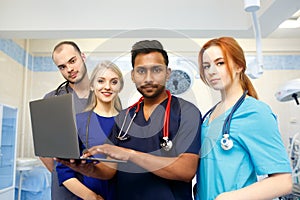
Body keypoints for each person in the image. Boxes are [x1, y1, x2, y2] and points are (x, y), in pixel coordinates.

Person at [57, 40, 202, 200]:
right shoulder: (124, 118)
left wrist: (131, 155)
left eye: (156, 70)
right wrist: (87, 169)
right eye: (141, 71)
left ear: (168, 73)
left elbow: (186, 171)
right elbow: (110, 170)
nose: (148, 78)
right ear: (133, 75)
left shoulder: (187, 112)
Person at [195, 36, 292, 200]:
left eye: (220, 63)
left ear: (239, 66)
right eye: (206, 66)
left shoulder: (255, 112)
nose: (211, 71)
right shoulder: (210, 115)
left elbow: (283, 181)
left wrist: (227, 198)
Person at [56, 60, 124, 200]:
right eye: (101, 81)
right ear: (92, 85)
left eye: (114, 82)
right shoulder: (79, 122)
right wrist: (92, 197)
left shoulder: (129, 122)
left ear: (120, 87)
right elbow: (64, 171)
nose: (107, 87)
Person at [40, 41, 90, 200]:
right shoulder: (52, 99)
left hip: (98, 183)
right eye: (62, 66)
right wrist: (61, 173)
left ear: (83, 57)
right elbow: (44, 151)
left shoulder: (104, 95)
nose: (69, 69)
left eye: (72, 61)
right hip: (65, 188)